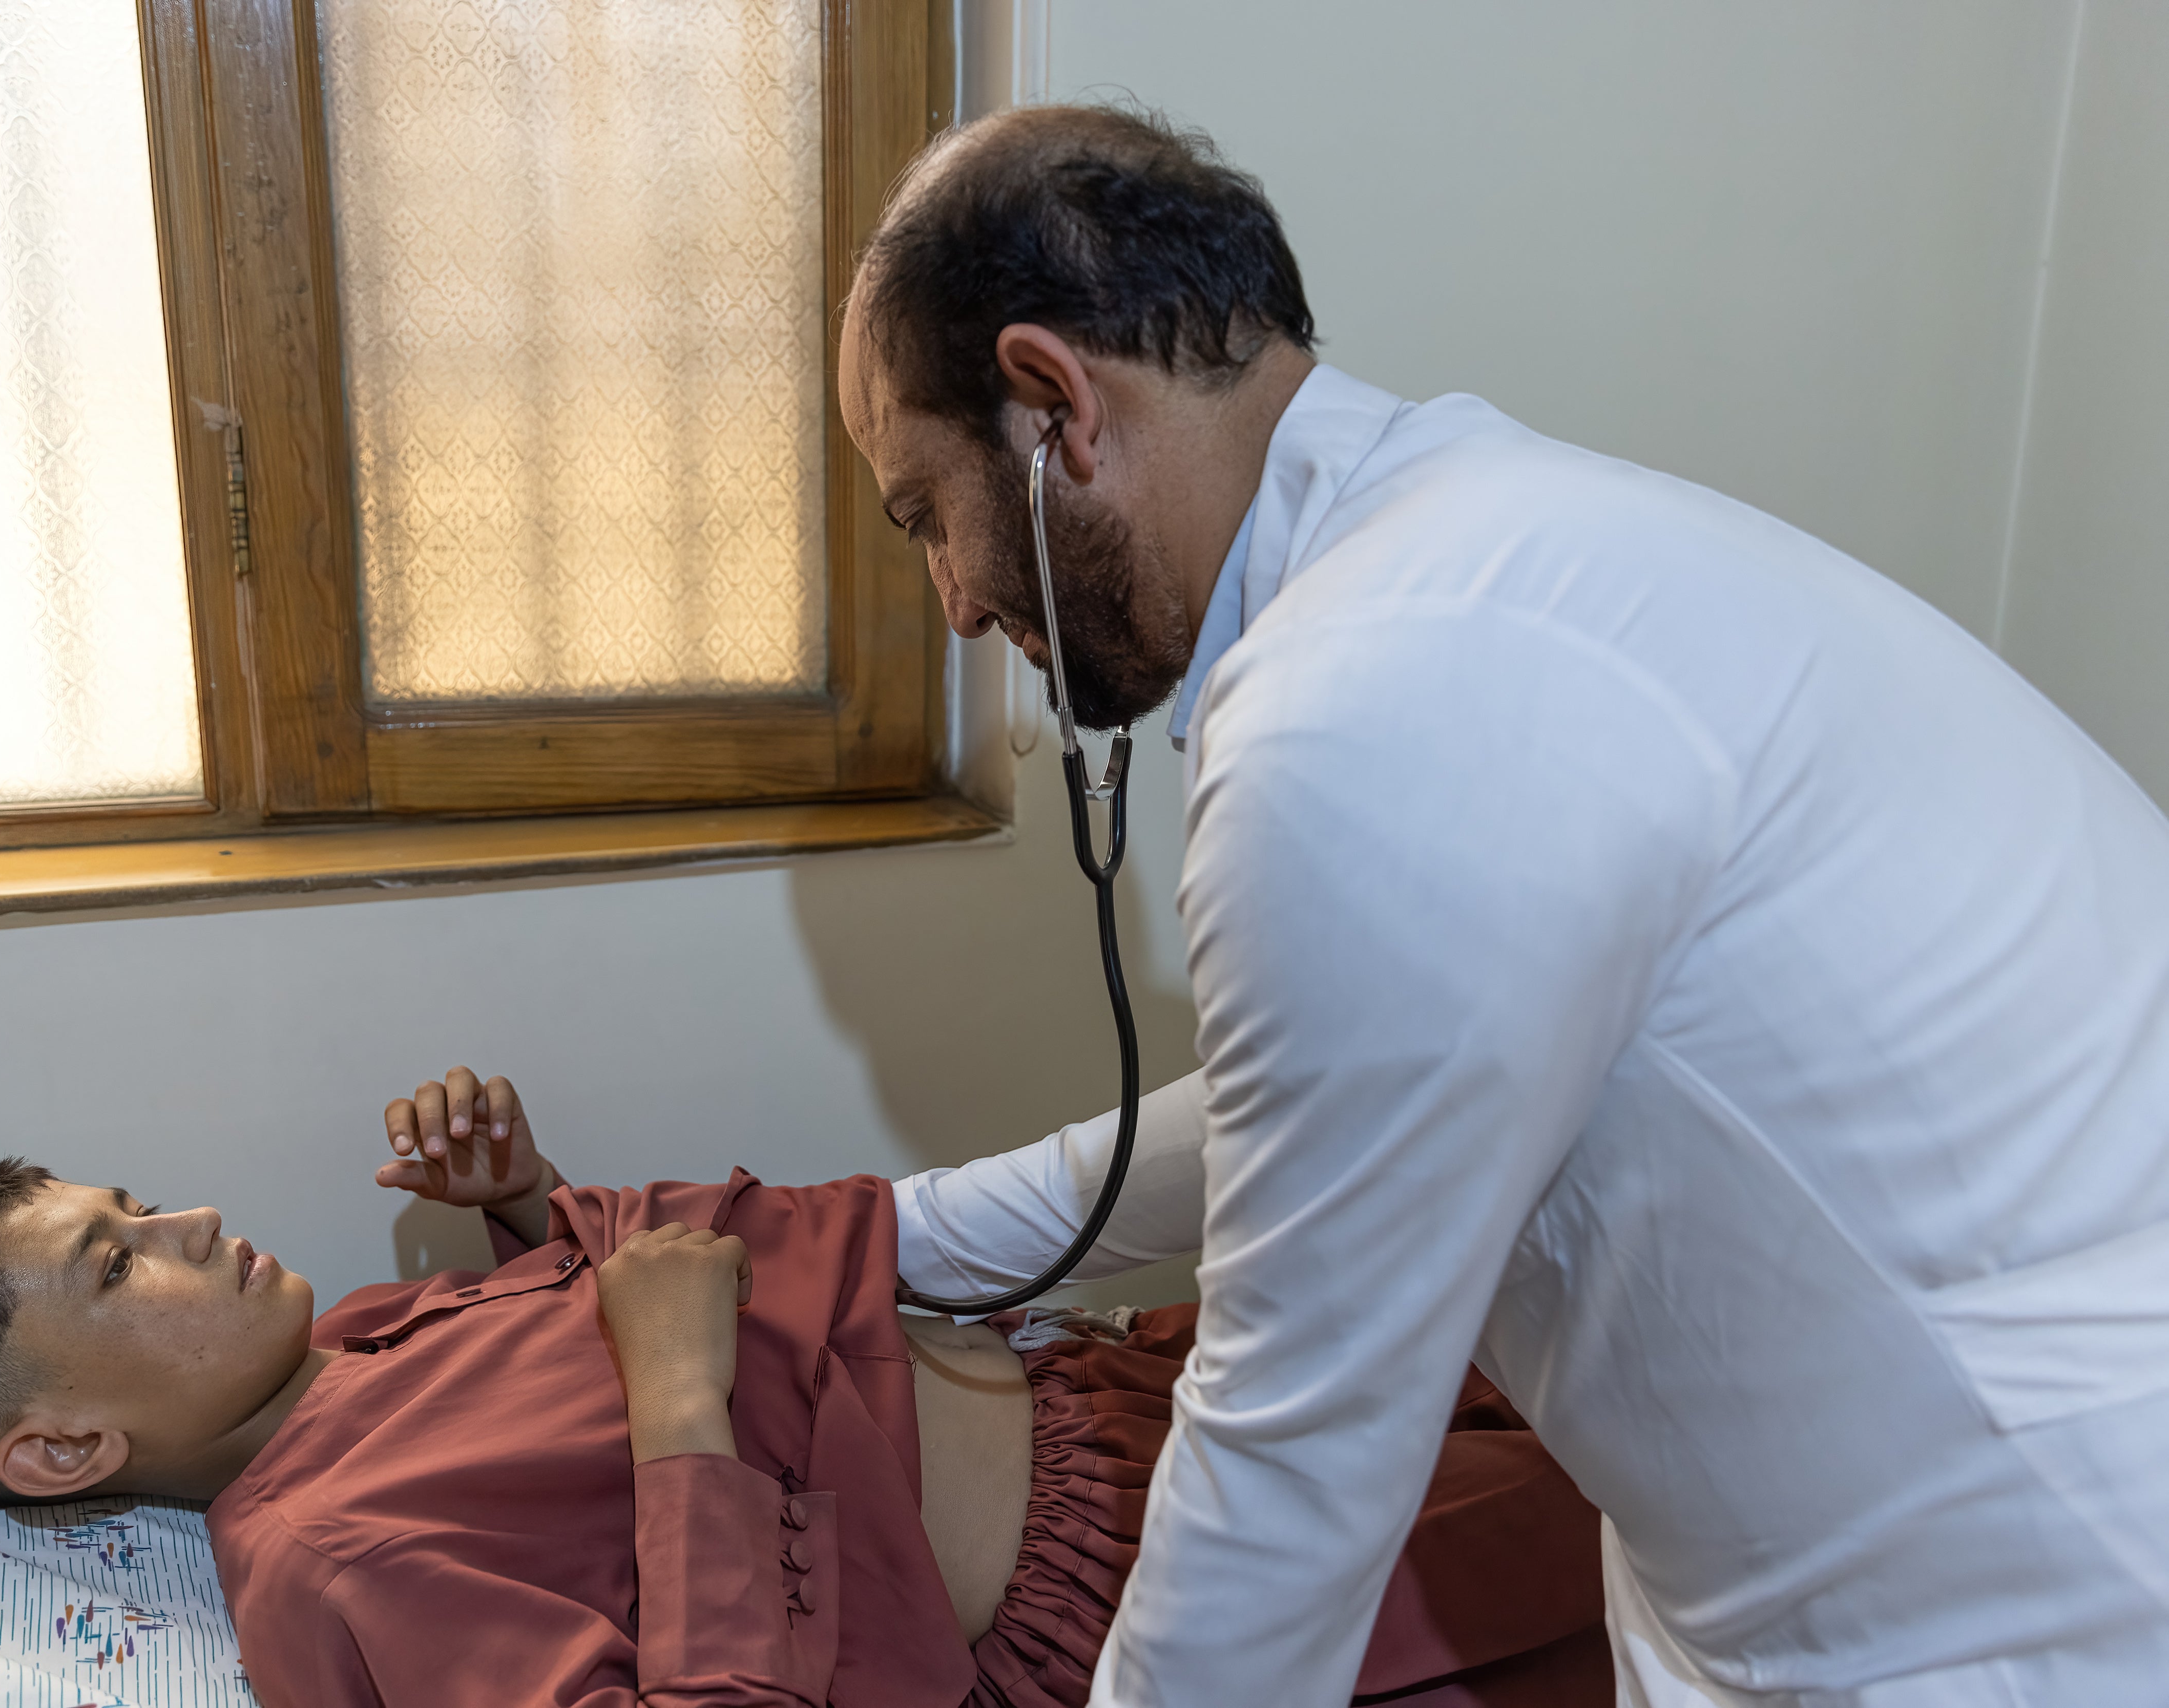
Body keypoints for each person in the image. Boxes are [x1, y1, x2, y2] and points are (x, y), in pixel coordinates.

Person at [840, 100, 2169, 1707]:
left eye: (927, 515)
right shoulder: (1471, 552)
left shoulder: (1366, 702)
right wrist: (884, 1237)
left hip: (2040, 1587)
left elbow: (1289, 1465)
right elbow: (1315, 1110)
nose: (957, 599)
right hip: (1910, 1540)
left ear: (1055, 404)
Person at [0, 1066, 1609, 1708]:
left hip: (1123, 1389)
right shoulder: (332, 1568)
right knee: (1657, 1570)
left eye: (134, 1207)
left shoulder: (360, 1338)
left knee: (1610, 1381)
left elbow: (594, 1348)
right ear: (64, 1449)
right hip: (1141, 1588)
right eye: (119, 1264)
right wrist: (678, 1403)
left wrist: (528, 1203)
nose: (187, 1222)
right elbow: (660, 1410)